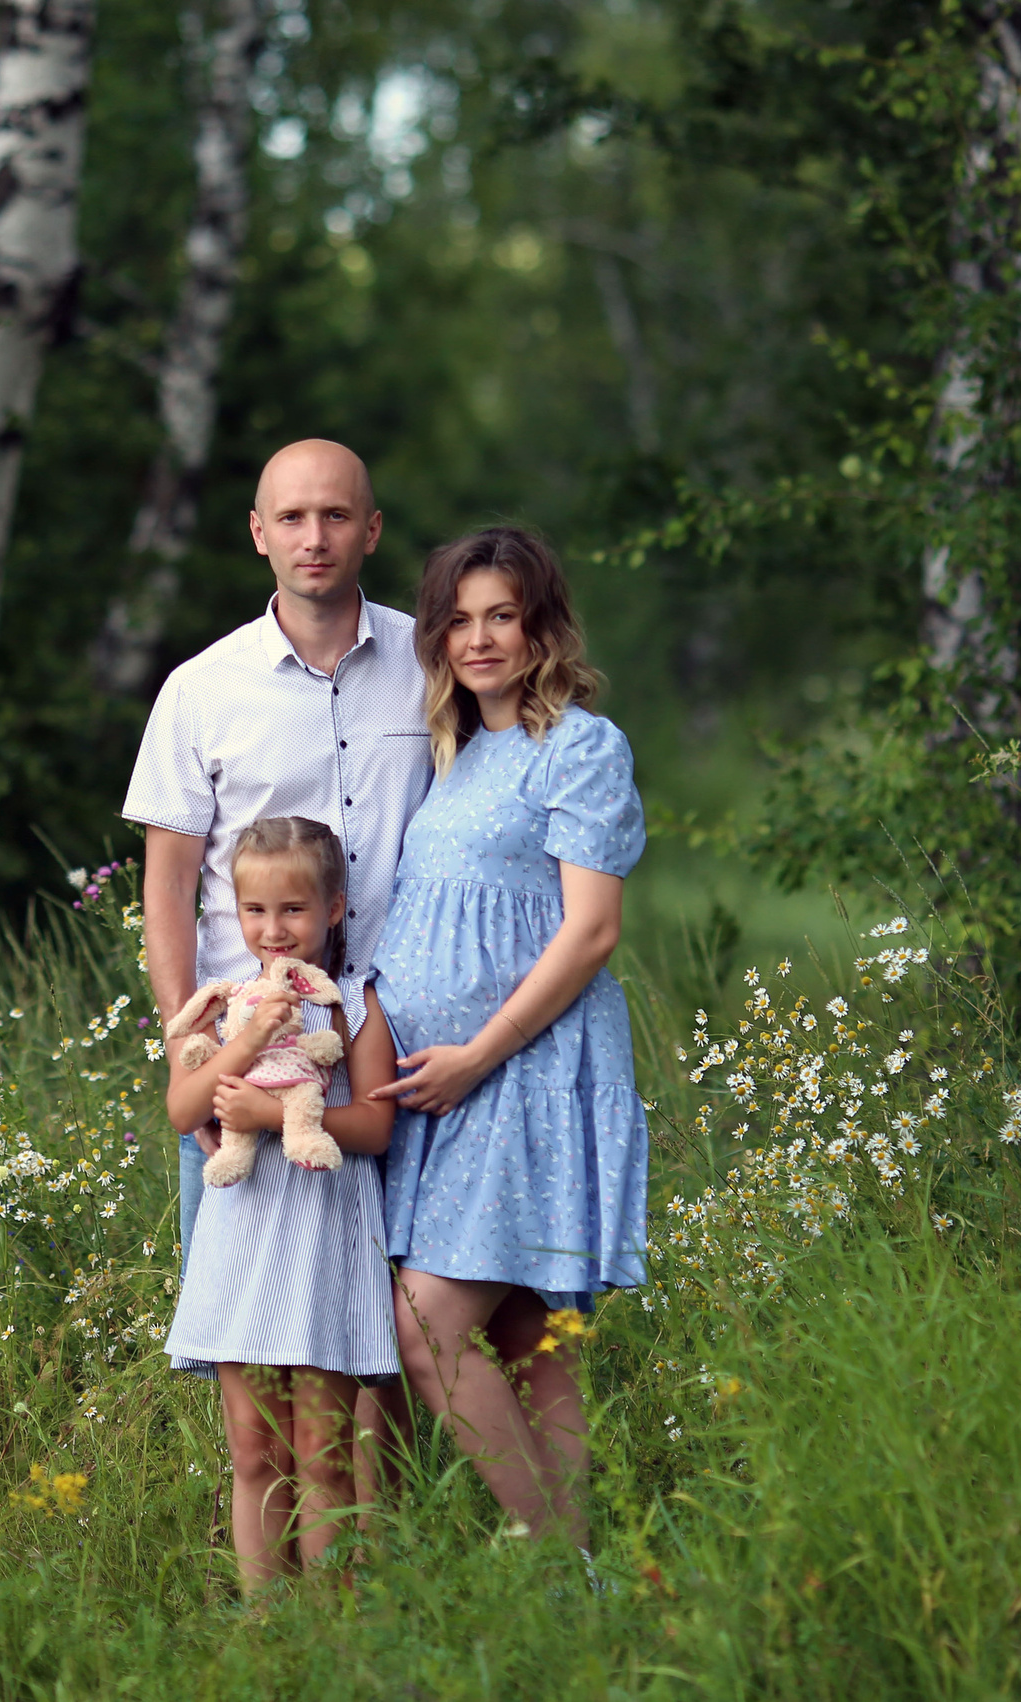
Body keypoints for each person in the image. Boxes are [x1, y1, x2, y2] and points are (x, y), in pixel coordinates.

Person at [121, 437, 426, 1452]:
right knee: (251, 1354)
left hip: (394, 1046)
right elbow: (166, 887)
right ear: (257, 533)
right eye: (291, 517)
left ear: (370, 530)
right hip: (248, 1052)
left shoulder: (432, 669)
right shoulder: (201, 690)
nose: (314, 536)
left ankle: (379, 1571)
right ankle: (272, 1585)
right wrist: (188, 1054)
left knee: (391, 1333)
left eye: (336, 515)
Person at [366, 526, 648, 1560]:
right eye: (459, 618)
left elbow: (591, 930)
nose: (479, 638)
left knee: (428, 1323)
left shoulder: (580, 743)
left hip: (526, 1072)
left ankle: (557, 1558)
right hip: (448, 1089)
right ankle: (583, 1594)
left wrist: (478, 1053)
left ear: (540, 626)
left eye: (501, 615)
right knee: (528, 1337)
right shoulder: (460, 750)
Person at [161, 817, 400, 1592]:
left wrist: (278, 1118)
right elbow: (183, 1106)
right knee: (254, 1449)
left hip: (323, 1237)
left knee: (322, 1451)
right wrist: (243, 1042)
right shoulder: (225, 1003)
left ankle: (331, 1626)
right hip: (245, 1235)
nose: (273, 929)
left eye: (293, 910)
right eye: (255, 911)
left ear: (332, 908)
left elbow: (374, 1123)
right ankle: (268, 1626)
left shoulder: (352, 1006)